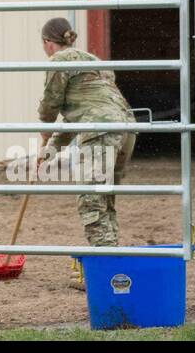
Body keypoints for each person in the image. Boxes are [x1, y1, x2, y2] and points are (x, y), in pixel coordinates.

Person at [35, 17, 136, 250]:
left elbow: (50, 105)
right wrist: (50, 152)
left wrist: (44, 133)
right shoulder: (93, 61)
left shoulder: (59, 60)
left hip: (101, 129)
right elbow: (76, 117)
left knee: (91, 201)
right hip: (126, 129)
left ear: (47, 42)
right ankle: (112, 256)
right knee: (105, 197)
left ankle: (105, 265)